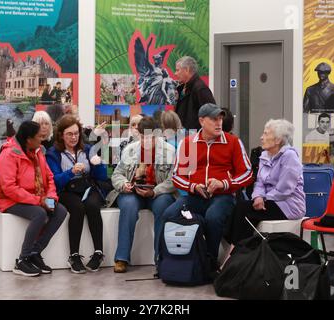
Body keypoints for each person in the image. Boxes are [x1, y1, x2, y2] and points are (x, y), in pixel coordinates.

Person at [162, 103, 253, 266]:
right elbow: (177, 176)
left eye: (220, 119)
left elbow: (247, 173)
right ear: (202, 121)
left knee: (213, 216)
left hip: (223, 197)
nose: (219, 123)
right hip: (194, 197)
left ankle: (210, 262)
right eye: (214, 119)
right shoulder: (188, 143)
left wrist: (223, 184)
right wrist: (194, 187)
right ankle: (166, 261)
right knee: (169, 213)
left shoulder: (233, 142)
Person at [223, 119, 305, 265]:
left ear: (278, 140)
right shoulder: (265, 155)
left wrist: (263, 198)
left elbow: (284, 189)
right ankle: (237, 254)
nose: (261, 137)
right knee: (240, 207)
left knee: (244, 210)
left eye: (266, 134)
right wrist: (258, 196)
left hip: (288, 205)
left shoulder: (290, 156)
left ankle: (235, 257)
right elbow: (259, 182)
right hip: (269, 200)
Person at [0, 121, 67, 277]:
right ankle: (22, 260)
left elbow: (49, 177)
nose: (42, 140)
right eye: (39, 137)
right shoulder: (8, 154)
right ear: (29, 139)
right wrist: (39, 201)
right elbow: (9, 188)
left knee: (60, 211)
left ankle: (35, 252)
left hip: (38, 197)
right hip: (10, 200)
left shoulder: (37, 151)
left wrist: (51, 198)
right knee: (39, 214)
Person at [110, 117, 176, 273]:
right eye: (143, 136)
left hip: (157, 193)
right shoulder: (130, 150)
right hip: (133, 193)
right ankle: (122, 258)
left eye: (151, 137)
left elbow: (173, 180)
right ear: (138, 135)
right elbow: (116, 175)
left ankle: (161, 257)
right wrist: (124, 184)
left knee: (163, 205)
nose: (147, 140)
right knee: (128, 205)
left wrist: (154, 191)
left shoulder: (169, 151)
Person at [46, 115, 107, 274]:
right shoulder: (53, 153)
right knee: (77, 208)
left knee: (93, 205)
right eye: (69, 134)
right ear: (61, 135)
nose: (74, 137)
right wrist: (70, 172)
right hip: (67, 190)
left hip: (88, 187)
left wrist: (98, 163)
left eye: (76, 133)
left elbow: (101, 176)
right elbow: (55, 181)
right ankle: (74, 255)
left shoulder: (87, 149)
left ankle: (98, 253)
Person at [174, 56, 216, 130]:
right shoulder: (182, 88)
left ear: (187, 69)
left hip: (194, 137)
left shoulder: (200, 89)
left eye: (177, 70)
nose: (175, 73)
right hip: (183, 136)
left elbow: (211, 115)